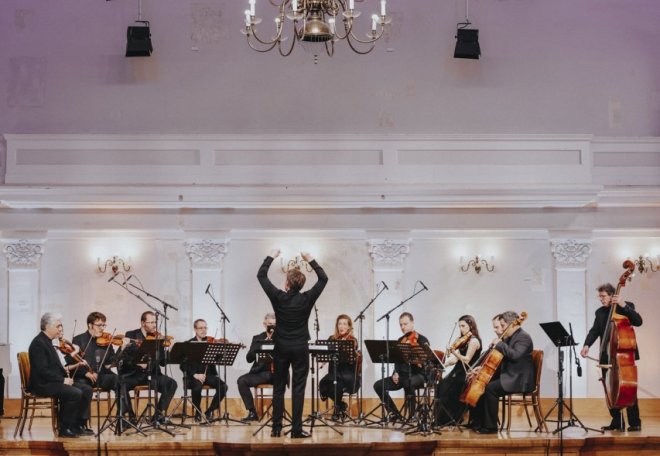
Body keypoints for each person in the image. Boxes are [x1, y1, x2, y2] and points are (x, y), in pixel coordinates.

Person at [257, 249, 328, 438]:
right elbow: (323, 279)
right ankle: (296, 430)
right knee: (298, 388)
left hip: (281, 347)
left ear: (287, 283)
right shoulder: (307, 298)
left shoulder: (278, 297)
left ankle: (276, 428)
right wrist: (310, 259)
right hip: (300, 347)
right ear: (301, 284)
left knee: (279, 387)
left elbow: (261, 275)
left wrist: (271, 256)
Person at [580, 283, 643, 432]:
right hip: (606, 355)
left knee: (628, 388)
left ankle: (635, 422)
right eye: (600, 296)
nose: (601, 299)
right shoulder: (600, 312)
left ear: (611, 295)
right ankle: (617, 422)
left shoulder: (626, 306)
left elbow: (638, 322)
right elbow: (595, 330)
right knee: (609, 389)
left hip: (623, 355)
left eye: (603, 296)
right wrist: (587, 345)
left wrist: (623, 305)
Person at [28, 312, 93, 437]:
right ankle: (65, 428)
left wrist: (72, 362)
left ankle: (78, 425)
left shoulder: (48, 341)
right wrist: (62, 380)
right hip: (42, 384)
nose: (60, 329)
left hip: (51, 381)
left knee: (86, 389)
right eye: (58, 326)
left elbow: (56, 366)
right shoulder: (39, 344)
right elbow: (42, 371)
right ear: (48, 326)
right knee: (74, 393)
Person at [471, 311, 534, 434]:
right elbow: (502, 358)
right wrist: (483, 368)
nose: (502, 329)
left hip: (519, 379)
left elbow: (515, 355)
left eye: (503, 326)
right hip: (510, 375)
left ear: (512, 324)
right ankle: (479, 422)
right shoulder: (511, 337)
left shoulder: (523, 337)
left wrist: (500, 344)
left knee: (490, 389)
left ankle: (490, 427)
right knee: (482, 383)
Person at [71, 311, 134, 422]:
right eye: (99, 325)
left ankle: (122, 417)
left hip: (101, 375)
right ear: (90, 325)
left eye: (103, 325)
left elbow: (112, 362)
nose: (102, 328)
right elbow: (73, 360)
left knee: (119, 380)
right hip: (85, 376)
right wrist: (86, 373)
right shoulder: (78, 339)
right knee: (83, 388)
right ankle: (82, 422)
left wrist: (122, 348)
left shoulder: (106, 341)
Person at [119, 311, 178, 424]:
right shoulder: (131, 335)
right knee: (121, 383)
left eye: (154, 322)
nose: (154, 325)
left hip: (153, 375)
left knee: (172, 384)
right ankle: (131, 416)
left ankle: (158, 415)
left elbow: (163, 363)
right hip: (135, 375)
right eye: (150, 322)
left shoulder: (158, 337)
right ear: (143, 323)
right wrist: (137, 363)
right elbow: (125, 358)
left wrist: (169, 351)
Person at [373, 312, 430, 422]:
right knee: (378, 385)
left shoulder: (422, 340)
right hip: (402, 376)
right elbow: (397, 361)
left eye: (405, 324)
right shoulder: (400, 340)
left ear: (412, 323)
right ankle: (395, 413)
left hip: (418, 375)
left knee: (408, 382)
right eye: (401, 325)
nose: (403, 327)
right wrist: (395, 373)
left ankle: (412, 415)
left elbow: (427, 362)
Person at [434, 315, 482, 426]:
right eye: (459, 326)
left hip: (468, 372)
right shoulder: (464, 340)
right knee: (441, 385)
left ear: (471, 325)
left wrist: (454, 352)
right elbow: (456, 359)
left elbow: (467, 359)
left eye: (463, 326)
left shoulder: (474, 341)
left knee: (451, 388)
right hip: (458, 370)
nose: (461, 328)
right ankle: (441, 419)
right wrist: (443, 364)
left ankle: (453, 418)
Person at [179, 319, 228, 422]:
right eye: (201, 328)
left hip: (208, 375)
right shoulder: (188, 344)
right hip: (193, 377)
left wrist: (220, 352)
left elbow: (217, 360)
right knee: (197, 386)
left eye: (205, 328)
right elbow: (183, 365)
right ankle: (198, 412)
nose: (204, 330)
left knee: (223, 386)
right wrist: (195, 375)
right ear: (195, 329)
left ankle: (210, 410)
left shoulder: (210, 342)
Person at [319, 314, 361, 421]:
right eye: (339, 324)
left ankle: (337, 411)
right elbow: (326, 354)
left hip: (348, 375)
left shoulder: (352, 340)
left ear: (349, 326)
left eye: (344, 324)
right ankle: (341, 405)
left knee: (337, 385)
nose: (341, 326)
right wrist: (324, 360)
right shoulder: (332, 338)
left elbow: (352, 360)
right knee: (323, 384)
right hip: (334, 373)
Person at [236, 313, 277, 422]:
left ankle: (277, 412)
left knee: (280, 382)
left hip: (277, 373)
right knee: (241, 381)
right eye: (269, 324)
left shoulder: (281, 338)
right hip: (260, 373)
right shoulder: (257, 338)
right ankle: (252, 412)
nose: (272, 326)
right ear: (264, 324)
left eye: (274, 324)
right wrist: (257, 348)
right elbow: (249, 359)